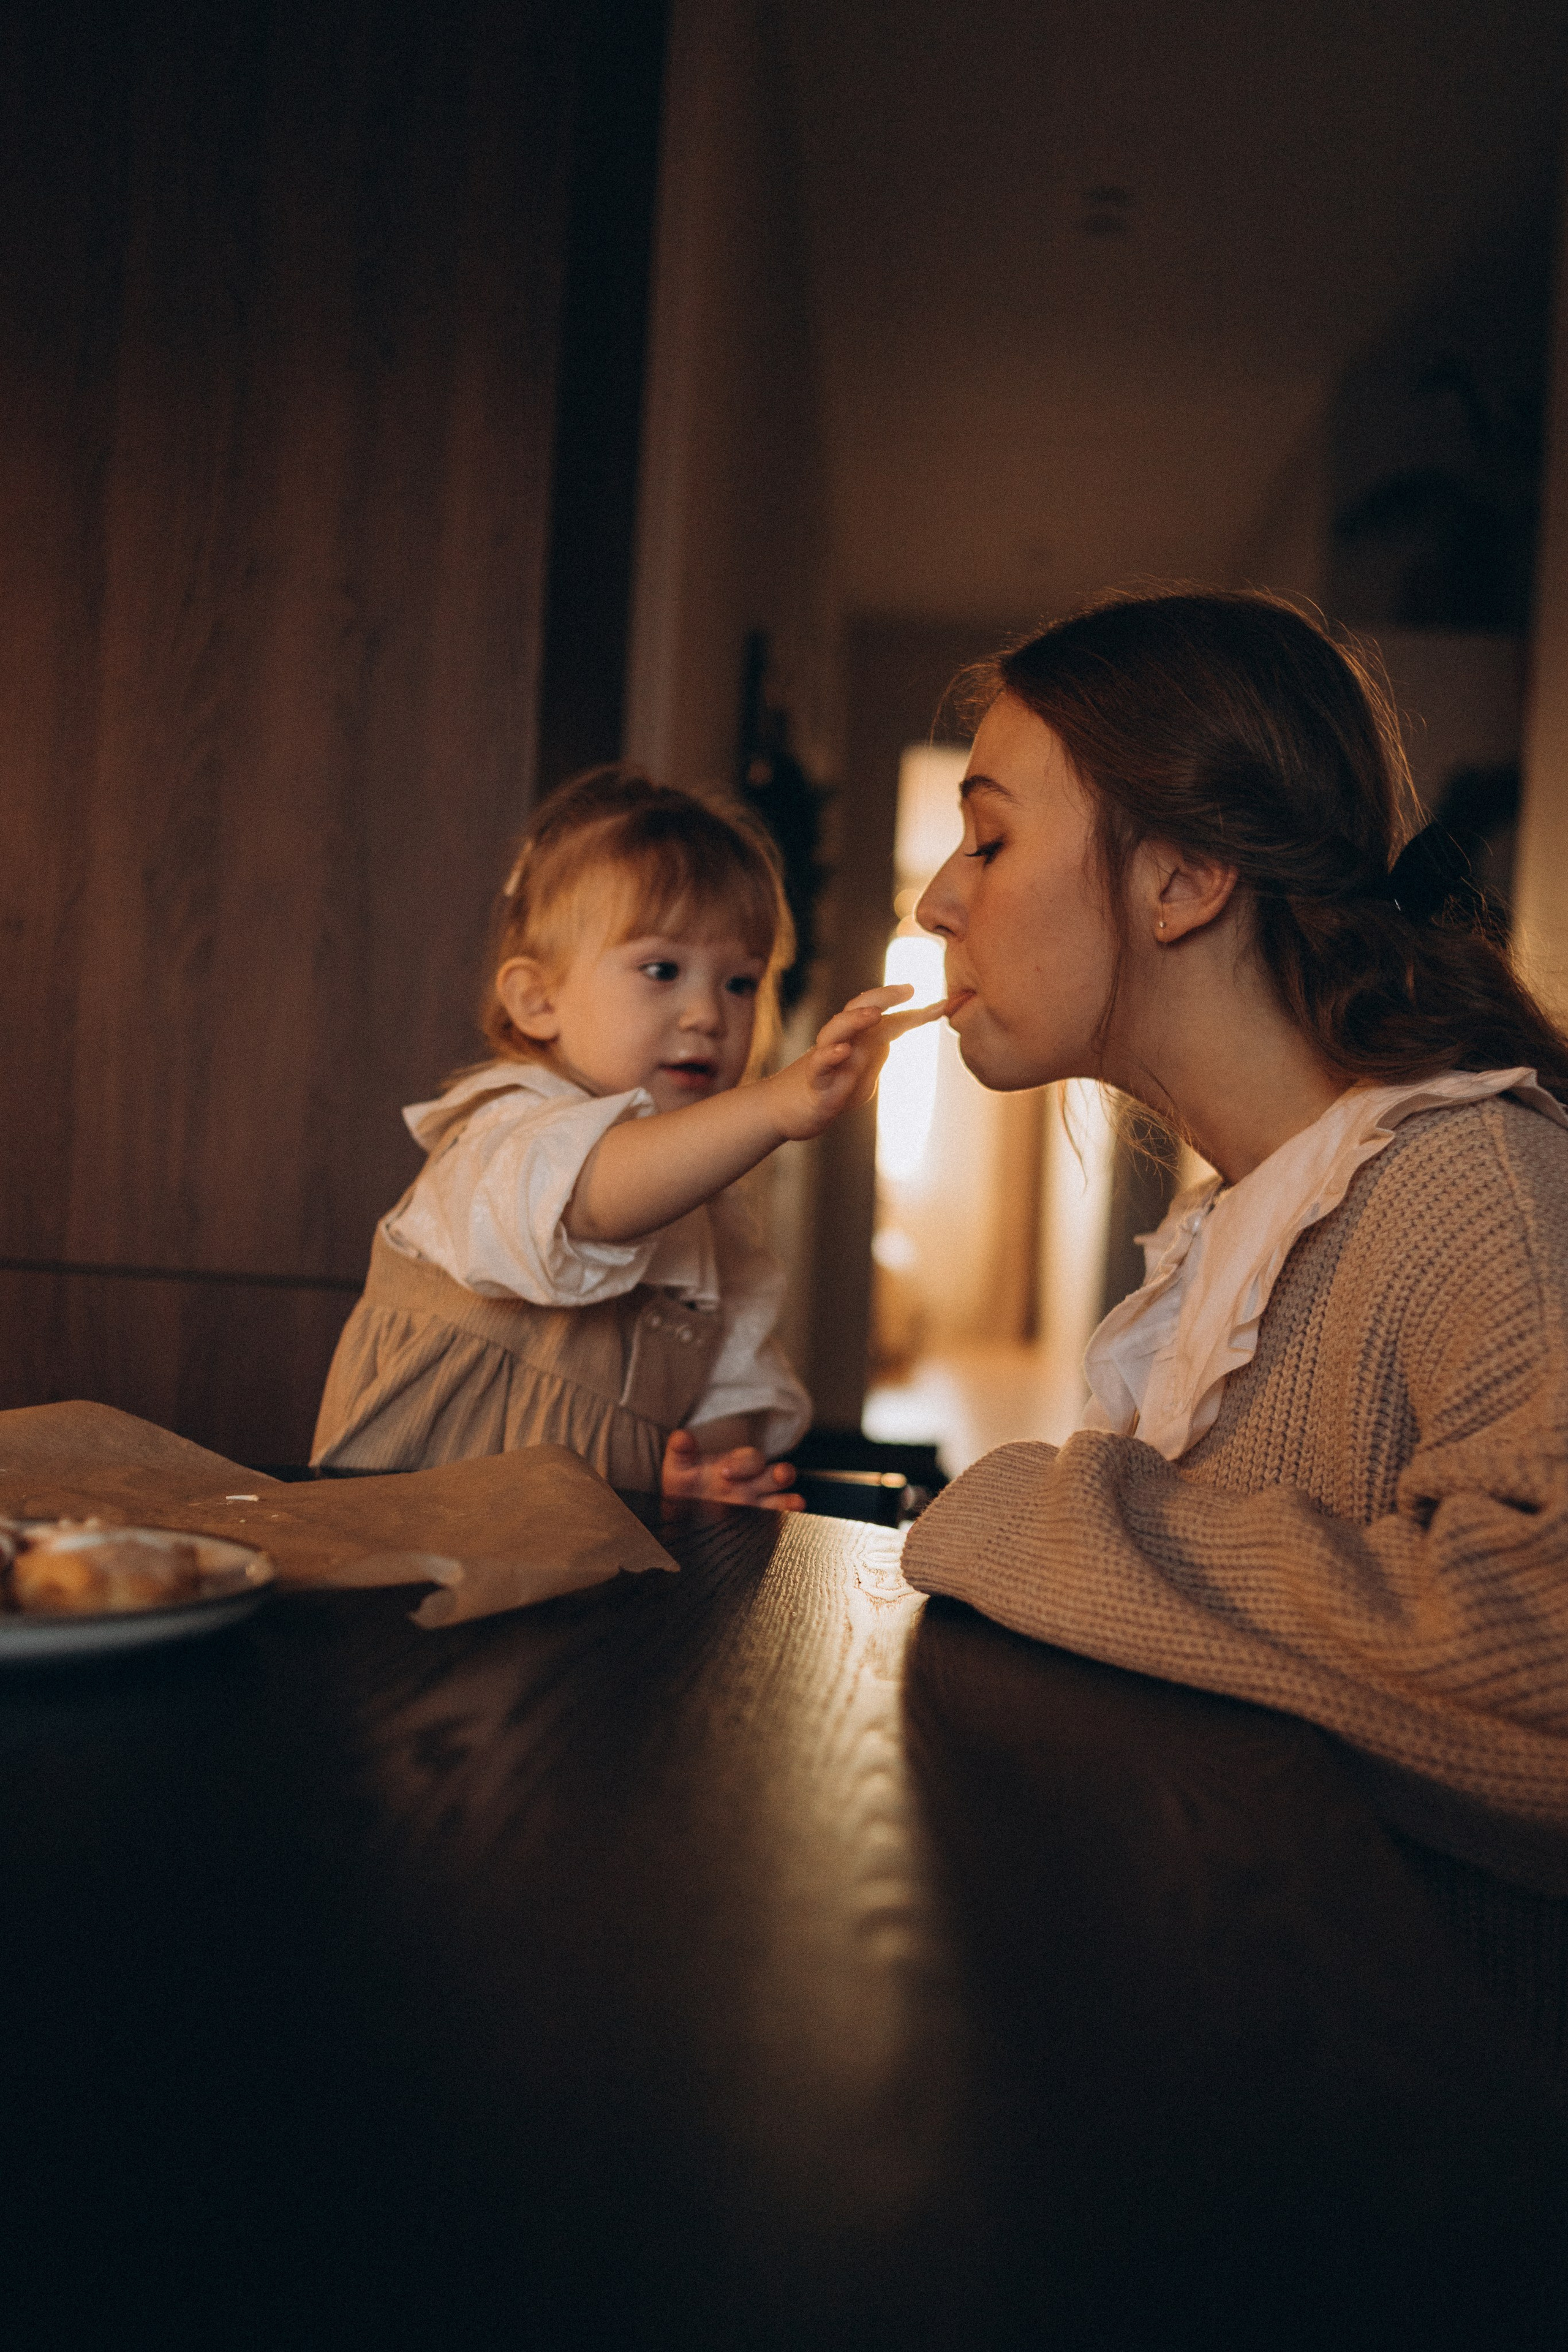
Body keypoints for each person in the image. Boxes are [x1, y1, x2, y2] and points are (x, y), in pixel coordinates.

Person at [902, 590, 1568, 1935]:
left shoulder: (1470, 1187)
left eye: (987, 838)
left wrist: (1035, 1513)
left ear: (1186, 879)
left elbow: (1540, 1659)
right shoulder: (1239, 1226)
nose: (933, 902)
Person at [314, 767, 949, 1506]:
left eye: (740, 982)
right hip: (396, 1538)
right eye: (661, 969)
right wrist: (774, 1108)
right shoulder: (501, 1128)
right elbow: (593, 1198)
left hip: (579, 1575)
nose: (708, 1014)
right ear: (537, 1000)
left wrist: (711, 1476)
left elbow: (726, 1405)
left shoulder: (716, 1226)